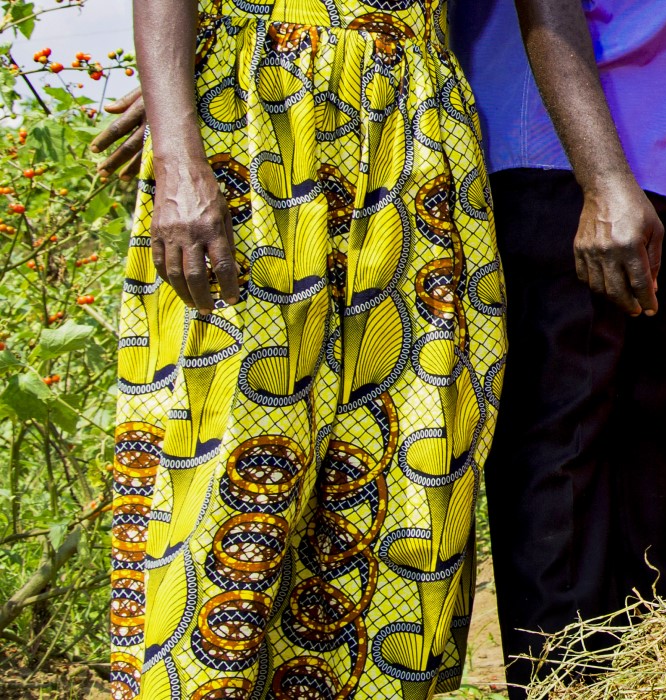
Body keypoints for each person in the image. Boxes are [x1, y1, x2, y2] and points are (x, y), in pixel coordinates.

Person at [106, 0, 506, 695]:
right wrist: (176, 145)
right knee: (230, 459)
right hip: (258, 111)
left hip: (420, 131)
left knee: (406, 464)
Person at [447, 0, 666, 693]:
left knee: (656, 426)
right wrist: (603, 179)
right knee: (564, 432)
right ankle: (562, 683)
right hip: (563, 156)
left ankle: (656, 674)